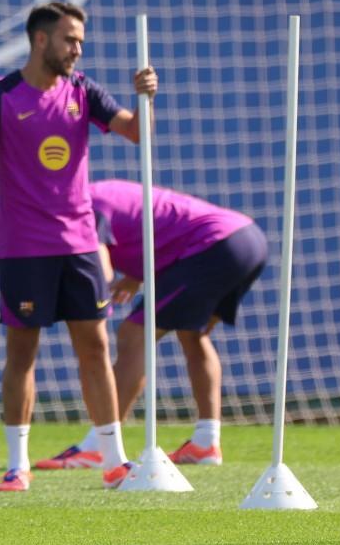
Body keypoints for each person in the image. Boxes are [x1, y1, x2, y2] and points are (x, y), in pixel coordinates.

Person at [0, 1, 158, 491]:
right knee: (22, 350)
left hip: (81, 245)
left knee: (96, 345)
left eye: (80, 40)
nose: (77, 49)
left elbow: (136, 131)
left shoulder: (83, 90)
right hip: (23, 247)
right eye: (69, 39)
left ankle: (113, 459)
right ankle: (16, 465)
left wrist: (145, 98)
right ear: (40, 40)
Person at [36, 179, 268, 469]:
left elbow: (100, 264)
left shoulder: (84, 206)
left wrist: (93, 301)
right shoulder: (102, 192)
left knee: (134, 333)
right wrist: (135, 276)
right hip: (247, 239)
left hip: (213, 244)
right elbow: (155, 227)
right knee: (192, 334)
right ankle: (205, 442)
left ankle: (99, 446)